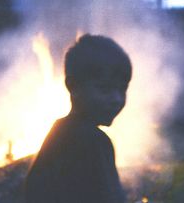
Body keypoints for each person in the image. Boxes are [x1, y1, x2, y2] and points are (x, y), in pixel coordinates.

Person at [26, 34, 132, 203]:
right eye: (104, 89)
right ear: (73, 86)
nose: (116, 99)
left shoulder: (58, 131)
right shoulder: (95, 141)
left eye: (122, 90)